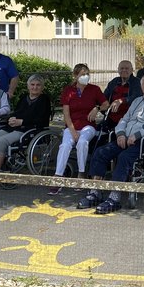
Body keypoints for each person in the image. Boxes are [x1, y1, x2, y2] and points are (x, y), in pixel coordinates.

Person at [82, 74, 144, 213]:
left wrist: (138, 134)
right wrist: (120, 133)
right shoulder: (137, 101)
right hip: (126, 137)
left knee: (124, 157)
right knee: (101, 152)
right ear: (141, 88)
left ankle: (114, 197)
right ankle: (95, 192)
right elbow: (124, 120)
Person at [0, 75, 52, 190]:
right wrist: (11, 118)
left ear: (42, 87)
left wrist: (22, 121)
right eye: (32, 85)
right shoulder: (24, 97)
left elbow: (42, 119)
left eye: (38, 85)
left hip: (29, 130)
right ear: (28, 86)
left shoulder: (44, 100)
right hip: (13, 127)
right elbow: (17, 112)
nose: (35, 87)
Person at [48, 64, 109, 195]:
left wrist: (97, 108)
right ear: (75, 76)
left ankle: (81, 173)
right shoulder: (68, 91)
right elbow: (66, 114)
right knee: (65, 145)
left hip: (88, 125)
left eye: (87, 74)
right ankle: (58, 176)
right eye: (82, 74)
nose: (85, 76)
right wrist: (73, 131)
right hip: (72, 126)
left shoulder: (94, 89)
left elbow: (106, 104)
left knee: (82, 142)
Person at [102, 60, 142, 127]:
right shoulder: (114, 82)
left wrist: (121, 100)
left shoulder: (137, 82)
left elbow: (136, 97)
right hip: (111, 117)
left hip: (129, 119)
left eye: (126, 68)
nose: (124, 70)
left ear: (132, 70)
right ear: (118, 70)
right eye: (121, 68)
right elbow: (104, 96)